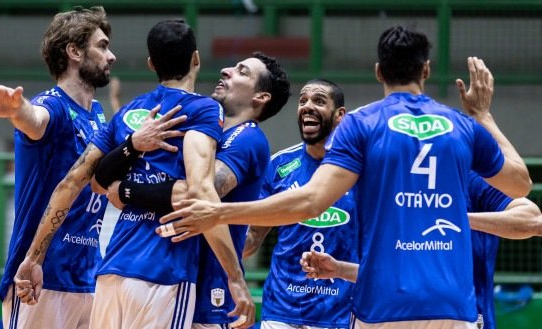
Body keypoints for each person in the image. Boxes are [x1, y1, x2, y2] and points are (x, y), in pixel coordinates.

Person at [158, 26, 532, 329]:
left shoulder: (364, 125)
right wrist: (483, 115)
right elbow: (520, 184)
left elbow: (310, 201)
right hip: (453, 304)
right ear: (427, 70)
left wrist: (220, 213)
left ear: (379, 72)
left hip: (383, 304)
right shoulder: (460, 127)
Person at [12, 19, 255, 329]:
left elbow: (82, 182)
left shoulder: (128, 111)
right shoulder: (204, 109)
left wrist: (33, 257)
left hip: (112, 270)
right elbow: (200, 191)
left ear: (151, 64)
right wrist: (235, 278)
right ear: (196, 58)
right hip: (164, 271)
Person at [102, 52, 291, 329]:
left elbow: (198, 194)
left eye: (242, 71)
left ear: (260, 97)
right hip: (179, 282)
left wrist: (125, 191)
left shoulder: (247, 137)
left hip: (212, 300)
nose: (226, 70)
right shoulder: (206, 133)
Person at [0, 6, 116, 329]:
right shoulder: (51, 105)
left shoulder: (97, 114)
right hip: (38, 281)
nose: (112, 56)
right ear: (74, 51)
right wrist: (16, 110)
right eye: (103, 45)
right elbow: (34, 119)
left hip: (86, 278)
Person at [300, 172, 542, 329]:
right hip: (396, 318)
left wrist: (452, 218)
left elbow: (533, 221)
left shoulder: (470, 180)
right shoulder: (393, 192)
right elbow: (395, 275)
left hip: (465, 318)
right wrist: (341, 269)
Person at [243, 79, 356, 329]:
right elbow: (252, 238)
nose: (307, 106)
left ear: (340, 115)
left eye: (318, 100)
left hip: (339, 313)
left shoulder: (360, 171)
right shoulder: (279, 166)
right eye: (303, 100)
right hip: (281, 310)